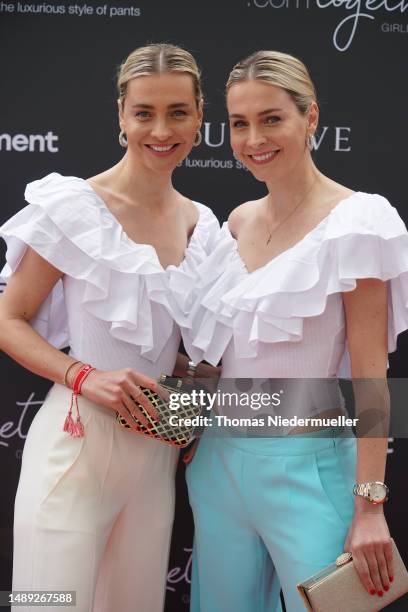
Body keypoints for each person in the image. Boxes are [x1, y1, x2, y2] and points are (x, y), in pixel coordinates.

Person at [184, 50, 408, 612]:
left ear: (310, 119)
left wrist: (371, 507)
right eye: (239, 123)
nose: (253, 138)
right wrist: (183, 420)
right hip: (215, 467)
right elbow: (216, 360)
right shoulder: (235, 221)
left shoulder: (359, 220)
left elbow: (372, 377)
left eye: (271, 118)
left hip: (309, 466)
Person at [0, 43, 219, 612]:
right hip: (75, 444)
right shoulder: (74, 207)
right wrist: (82, 376)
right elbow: (8, 319)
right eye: (144, 112)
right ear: (122, 114)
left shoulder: (205, 225)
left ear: (200, 116)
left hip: (154, 457)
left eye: (178, 112)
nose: (161, 129)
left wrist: (195, 395)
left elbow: (179, 349)